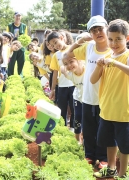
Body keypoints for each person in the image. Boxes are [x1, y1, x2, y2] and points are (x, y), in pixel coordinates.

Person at [66, 15, 111, 168]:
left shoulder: (113, 49)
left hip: (106, 97)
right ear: (90, 34)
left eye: (100, 29)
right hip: (88, 96)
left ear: (107, 28)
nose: (98, 33)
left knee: (104, 129)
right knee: (89, 127)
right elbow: (67, 56)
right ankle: (89, 155)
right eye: (94, 30)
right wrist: (78, 42)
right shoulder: (89, 47)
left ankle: (103, 157)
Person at [92, 19, 129, 179]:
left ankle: (122, 174)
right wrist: (100, 66)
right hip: (106, 110)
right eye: (111, 39)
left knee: (125, 147)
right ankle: (111, 168)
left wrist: (113, 62)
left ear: (126, 38)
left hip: (123, 111)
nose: (114, 43)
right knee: (109, 142)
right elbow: (93, 80)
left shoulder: (126, 56)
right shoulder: (106, 57)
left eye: (118, 39)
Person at [48, 31, 75, 130]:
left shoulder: (73, 49)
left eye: (55, 42)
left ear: (61, 37)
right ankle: (62, 128)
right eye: (52, 45)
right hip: (62, 86)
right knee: (61, 109)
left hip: (74, 84)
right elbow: (55, 72)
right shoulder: (56, 55)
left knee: (74, 108)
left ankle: (73, 128)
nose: (55, 46)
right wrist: (53, 89)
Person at [61, 53, 85, 144]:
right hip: (78, 98)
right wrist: (65, 67)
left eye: (71, 61)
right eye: (66, 63)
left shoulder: (86, 70)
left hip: (88, 100)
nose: (69, 65)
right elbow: (61, 68)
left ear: (79, 60)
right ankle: (77, 140)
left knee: (86, 121)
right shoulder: (70, 75)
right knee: (77, 117)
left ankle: (84, 140)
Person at [6, 12, 27, 76]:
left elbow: (25, 37)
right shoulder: (9, 26)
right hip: (12, 47)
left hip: (21, 47)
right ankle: (10, 75)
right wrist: (11, 44)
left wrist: (21, 44)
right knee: (11, 63)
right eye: (16, 16)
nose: (18, 17)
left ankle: (20, 76)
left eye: (19, 16)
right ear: (14, 17)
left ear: (21, 17)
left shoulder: (24, 26)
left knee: (21, 62)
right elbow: (7, 36)